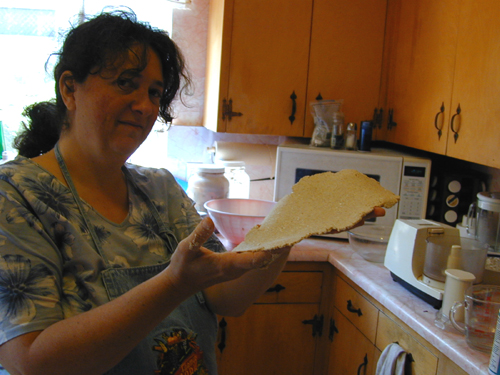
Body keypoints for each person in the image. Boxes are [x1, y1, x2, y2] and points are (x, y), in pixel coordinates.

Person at [0, 10, 384, 375]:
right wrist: (173, 283)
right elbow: (32, 360)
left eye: (154, 92)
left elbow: (227, 298)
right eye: (125, 84)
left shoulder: (160, 190)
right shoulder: (17, 195)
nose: (145, 106)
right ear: (70, 88)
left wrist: (294, 225)